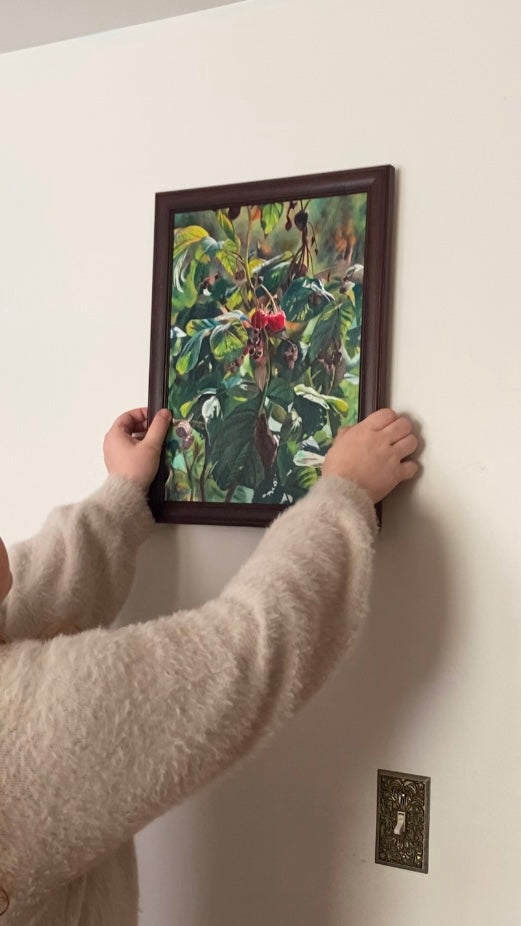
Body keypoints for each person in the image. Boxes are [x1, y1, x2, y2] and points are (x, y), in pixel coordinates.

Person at [0, 405, 418, 925]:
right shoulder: (22, 732)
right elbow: (247, 653)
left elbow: (27, 610)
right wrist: (343, 493)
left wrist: (120, 494)